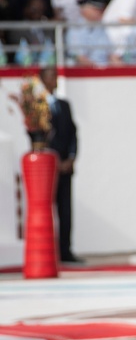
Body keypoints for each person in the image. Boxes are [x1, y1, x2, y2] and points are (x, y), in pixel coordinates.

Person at [39, 67, 80, 263]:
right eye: (51, 77)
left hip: (65, 167)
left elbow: (72, 134)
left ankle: (66, 251)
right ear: (43, 80)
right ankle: (48, 252)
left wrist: (70, 158)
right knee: (45, 210)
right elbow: (38, 138)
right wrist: (52, 160)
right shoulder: (37, 106)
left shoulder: (64, 105)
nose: (54, 80)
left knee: (65, 210)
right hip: (47, 169)